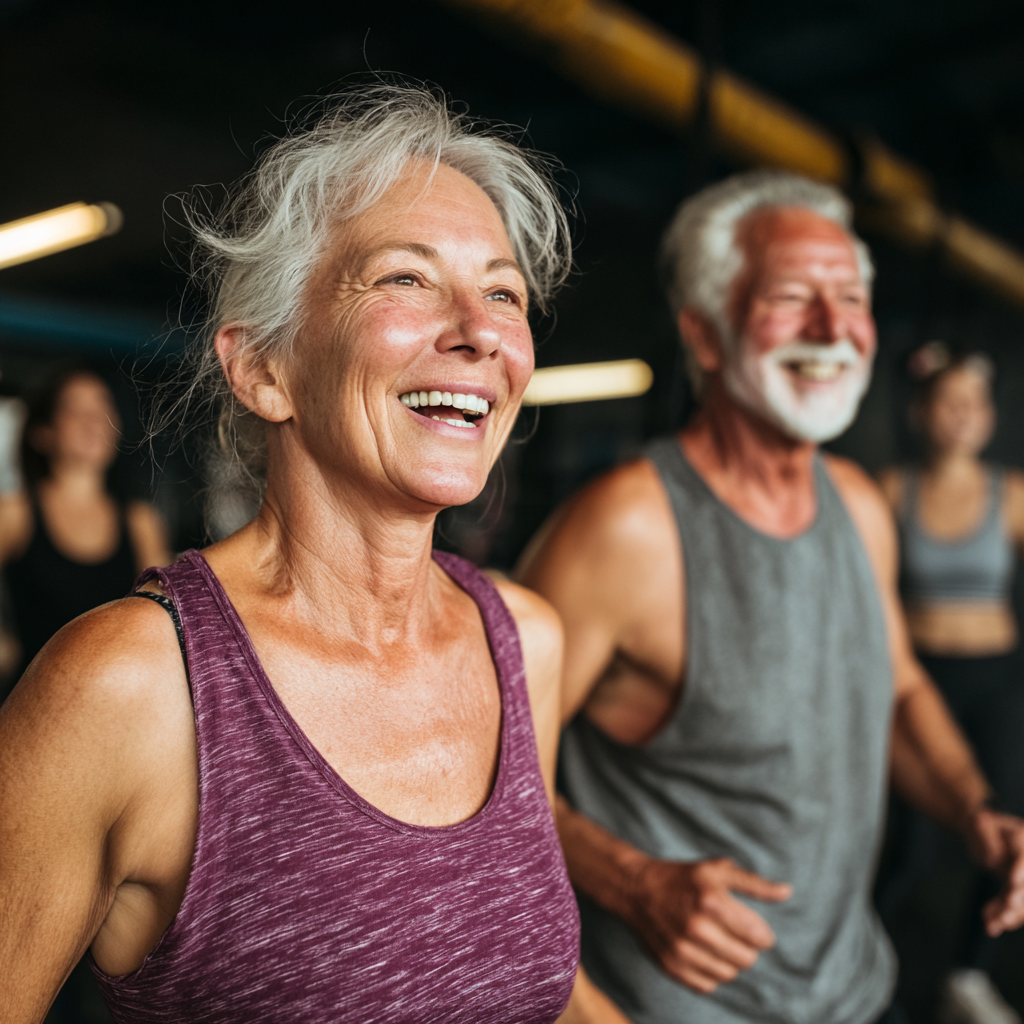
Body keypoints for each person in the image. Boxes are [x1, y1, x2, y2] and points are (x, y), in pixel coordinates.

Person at [0, 86, 623, 1024]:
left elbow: (501, 964)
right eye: (406, 279)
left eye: (503, 292)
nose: (480, 330)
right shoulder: (129, 688)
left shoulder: (523, 641)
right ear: (265, 369)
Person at [517, 170, 1024, 1024]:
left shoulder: (862, 506)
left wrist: (978, 814)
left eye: (852, 298)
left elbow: (895, 689)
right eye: (794, 298)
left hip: (854, 986)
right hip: (675, 1006)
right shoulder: (625, 529)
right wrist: (631, 881)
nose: (834, 329)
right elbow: (483, 781)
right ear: (706, 337)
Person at [878, 345, 1024, 1024]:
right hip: (916, 680)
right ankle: (869, 975)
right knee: (908, 841)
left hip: (995, 680)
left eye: (977, 402)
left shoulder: (1013, 494)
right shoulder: (891, 493)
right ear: (922, 412)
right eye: (950, 400)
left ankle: (968, 975)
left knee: (1003, 832)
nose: (964, 414)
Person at [0, 368, 170, 691]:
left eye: (103, 408)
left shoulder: (141, 522)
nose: (93, 420)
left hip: (110, 711)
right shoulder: (15, 512)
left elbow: (161, 627)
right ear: (43, 432)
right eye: (75, 410)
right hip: (28, 706)